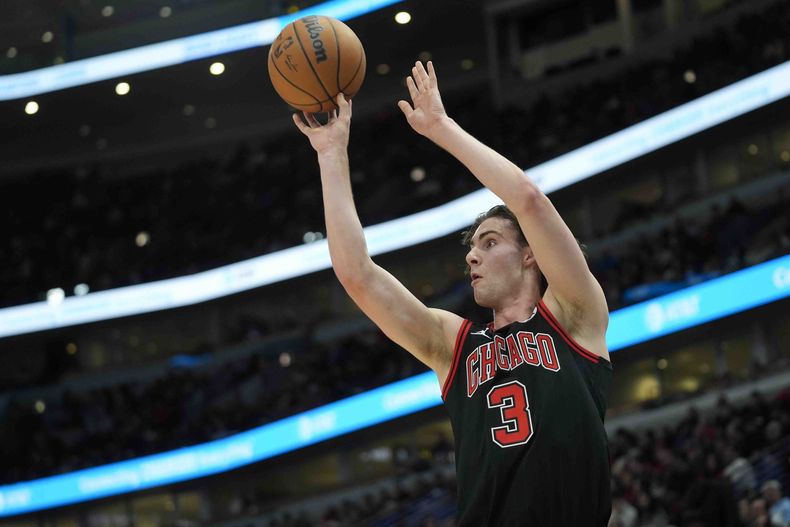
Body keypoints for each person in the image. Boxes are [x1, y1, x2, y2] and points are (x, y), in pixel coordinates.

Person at [293, 61, 612, 526]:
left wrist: (441, 128)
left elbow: (528, 198)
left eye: (490, 242)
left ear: (530, 255)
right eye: (471, 248)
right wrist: (330, 153)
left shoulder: (574, 314)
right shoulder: (455, 345)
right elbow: (357, 275)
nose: (472, 258)